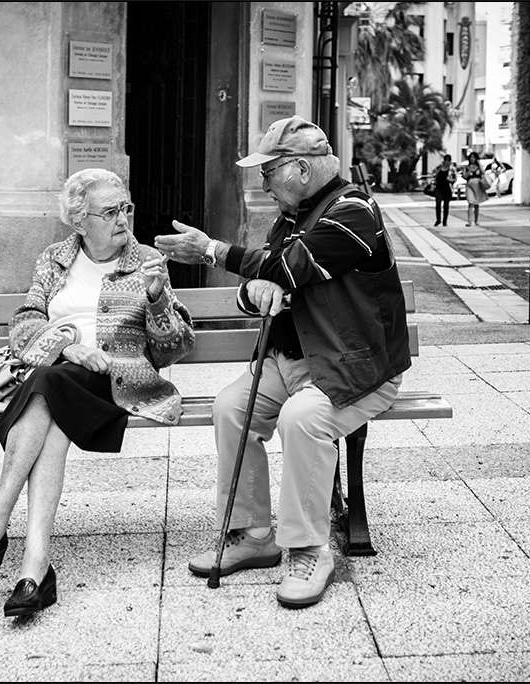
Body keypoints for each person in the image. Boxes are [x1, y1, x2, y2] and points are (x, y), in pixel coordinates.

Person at [154, 115, 410, 609]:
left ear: (298, 168)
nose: (263, 183)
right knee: (231, 407)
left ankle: (310, 548)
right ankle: (252, 535)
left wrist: (210, 250)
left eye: (268, 172)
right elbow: (262, 291)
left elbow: (290, 268)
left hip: (353, 366)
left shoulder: (354, 210)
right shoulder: (289, 218)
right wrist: (255, 291)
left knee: (303, 419)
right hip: (291, 358)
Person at [0, 168, 194, 618]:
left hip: (117, 384)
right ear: (79, 221)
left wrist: (157, 298)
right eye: (110, 211)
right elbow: (24, 325)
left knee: (50, 383)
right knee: (54, 401)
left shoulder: (146, 263)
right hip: (62, 382)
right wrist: (70, 348)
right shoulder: (54, 259)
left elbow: (172, 348)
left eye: (126, 208)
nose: (123, 219)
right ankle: (34, 570)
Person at [462, 152, 488, 226]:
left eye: (474, 157)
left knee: (476, 203)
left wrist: (479, 164)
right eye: (471, 157)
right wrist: (469, 171)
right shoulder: (466, 167)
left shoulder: (478, 167)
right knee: (470, 203)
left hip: (478, 186)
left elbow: (483, 173)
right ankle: (469, 221)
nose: (472, 158)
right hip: (470, 186)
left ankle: (476, 221)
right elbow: (465, 176)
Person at [431, 154, 456, 227]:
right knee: (438, 204)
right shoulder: (439, 168)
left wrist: (450, 180)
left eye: (449, 161)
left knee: (446, 205)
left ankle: (445, 221)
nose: (447, 162)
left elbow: (454, 179)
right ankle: (438, 220)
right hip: (439, 187)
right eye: (446, 160)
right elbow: (433, 174)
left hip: (447, 188)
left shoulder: (452, 169)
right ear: (444, 161)